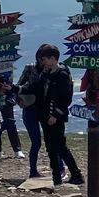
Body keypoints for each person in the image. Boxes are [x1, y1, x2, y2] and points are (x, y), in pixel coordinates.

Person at [35, 44, 82, 186]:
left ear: (52, 58)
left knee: (60, 146)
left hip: (56, 118)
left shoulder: (61, 74)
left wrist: (55, 115)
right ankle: (56, 176)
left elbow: (66, 98)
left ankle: (76, 174)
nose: (42, 62)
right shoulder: (46, 73)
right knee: (50, 147)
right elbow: (36, 88)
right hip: (44, 116)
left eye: (44, 59)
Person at [13, 57, 49, 178]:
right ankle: (33, 171)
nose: (42, 61)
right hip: (30, 108)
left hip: (45, 109)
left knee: (52, 140)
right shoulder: (30, 68)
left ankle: (60, 169)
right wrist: (19, 100)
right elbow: (19, 86)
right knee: (36, 142)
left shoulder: (52, 70)